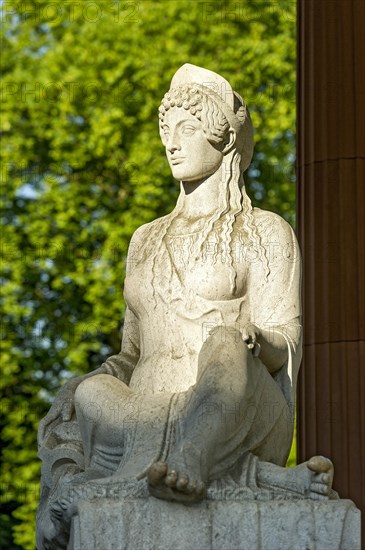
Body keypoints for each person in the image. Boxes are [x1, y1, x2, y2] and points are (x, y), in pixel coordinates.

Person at [37, 64, 335, 548]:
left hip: (237, 402)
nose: (171, 143)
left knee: (224, 341)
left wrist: (256, 340)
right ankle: (251, 474)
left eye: (187, 128)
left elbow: (287, 341)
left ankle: (193, 461)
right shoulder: (144, 239)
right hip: (144, 412)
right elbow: (130, 353)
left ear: (224, 140)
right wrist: (87, 388)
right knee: (90, 391)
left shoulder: (265, 230)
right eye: (165, 130)